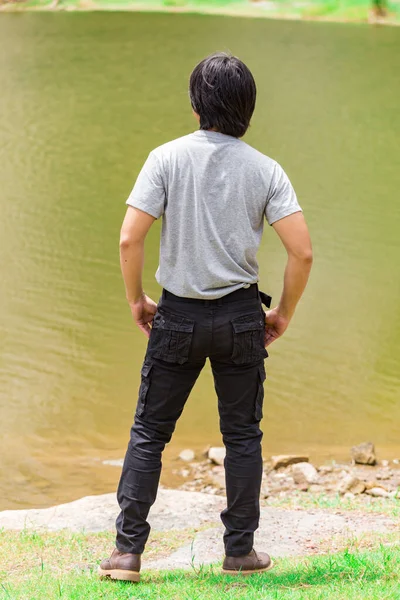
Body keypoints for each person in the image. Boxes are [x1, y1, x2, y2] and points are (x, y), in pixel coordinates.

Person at [99, 52, 312, 583]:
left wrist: (136, 300)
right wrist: (283, 312)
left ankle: (127, 554)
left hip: (177, 316)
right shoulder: (266, 169)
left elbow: (130, 236)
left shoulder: (165, 158)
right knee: (242, 436)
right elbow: (302, 252)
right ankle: (239, 551)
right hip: (242, 318)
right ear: (249, 109)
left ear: (196, 105)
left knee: (150, 432)